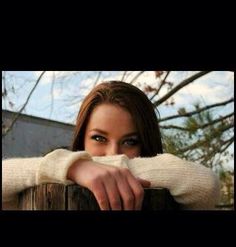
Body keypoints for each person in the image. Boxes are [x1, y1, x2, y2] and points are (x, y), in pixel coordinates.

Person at [2, 81, 220, 210]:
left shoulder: (168, 192)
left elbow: (206, 185)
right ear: (81, 139)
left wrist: (99, 166)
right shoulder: (55, 181)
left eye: (130, 142)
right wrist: (72, 166)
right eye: (99, 138)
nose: (113, 153)